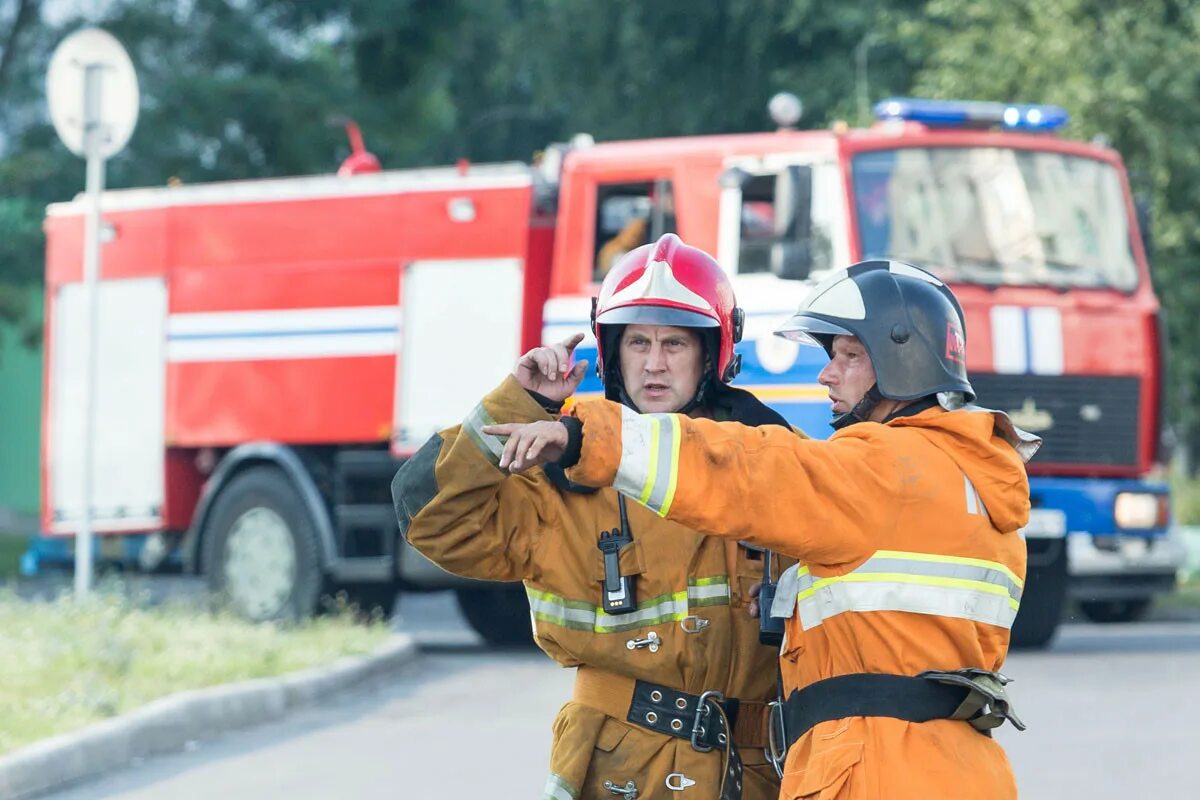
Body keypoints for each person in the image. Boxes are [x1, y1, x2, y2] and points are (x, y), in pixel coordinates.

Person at [487, 260, 1040, 800]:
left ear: (905, 361)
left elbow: (748, 469)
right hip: (960, 764)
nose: (827, 373)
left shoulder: (883, 466)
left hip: (876, 768)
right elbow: (899, 616)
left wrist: (591, 438)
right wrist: (793, 596)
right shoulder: (971, 478)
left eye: (848, 355)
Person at [392, 233, 794, 800]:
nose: (654, 364)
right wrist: (519, 402)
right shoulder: (559, 469)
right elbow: (431, 517)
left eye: (675, 344)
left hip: (758, 773)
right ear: (610, 350)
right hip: (615, 773)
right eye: (638, 343)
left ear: (713, 352)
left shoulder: (773, 460)